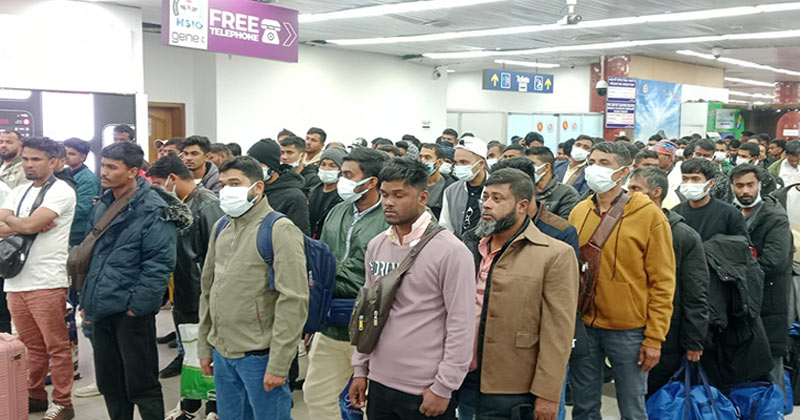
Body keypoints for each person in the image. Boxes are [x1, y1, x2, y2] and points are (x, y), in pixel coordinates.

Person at [349, 158, 476, 420]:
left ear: (423, 197)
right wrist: (360, 369)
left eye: (399, 195)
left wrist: (444, 386)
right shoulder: (377, 245)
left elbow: (461, 323)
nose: (388, 202)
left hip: (425, 386)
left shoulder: (451, 251)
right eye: (385, 194)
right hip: (380, 380)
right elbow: (367, 311)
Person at [458, 167, 578, 420]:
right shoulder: (469, 245)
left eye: (497, 198)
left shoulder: (554, 254)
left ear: (522, 205)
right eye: (485, 197)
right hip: (463, 376)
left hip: (513, 383)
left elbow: (558, 331)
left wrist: (548, 393)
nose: (487, 204)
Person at [568, 142, 676, 420]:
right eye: (592, 161)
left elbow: (662, 282)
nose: (594, 168)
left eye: (604, 163)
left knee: (632, 408)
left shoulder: (648, 214)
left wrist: (654, 338)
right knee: (583, 406)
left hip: (628, 330)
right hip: (584, 324)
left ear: (623, 172)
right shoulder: (579, 211)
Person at [198, 156, 309, 420]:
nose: (227, 191)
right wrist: (204, 345)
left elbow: (293, 299)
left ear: (257, 187)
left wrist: (279, 363)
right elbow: (208, 289)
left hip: (260, 357)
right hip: (222, 352)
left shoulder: (279, 229)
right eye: (223, 184)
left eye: (235, 183)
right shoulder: (222, 226)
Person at [80, 142, 184, 420]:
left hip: (130, 311)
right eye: (103, 165)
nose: (104, 172)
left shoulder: (153, 208)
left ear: (133, 172)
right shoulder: (104, 203)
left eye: (112, 167)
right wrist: (86, 300)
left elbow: (159, 264)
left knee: (142, 383)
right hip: (101, 307)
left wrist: (137, 308)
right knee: (110, 383)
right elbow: (92, 256)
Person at [302, 148, 389, 418]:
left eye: (349, 175)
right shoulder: (337, 211)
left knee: (372, 402)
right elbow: (322, 263)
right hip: (331, 323)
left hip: (373, 326)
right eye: (342, 174)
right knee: (317, 395)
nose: (342, 181)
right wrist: (312, 315)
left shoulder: (391, 217)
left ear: (371, 182)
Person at [0, 137, 77, 420]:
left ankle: (63, 402)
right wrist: (25, 225)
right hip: (15, 279)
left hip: (47, 281)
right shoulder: (18, 190)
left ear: (54, 162)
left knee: (56, 346)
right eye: (25, 159)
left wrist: (22, 223)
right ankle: (35, 395)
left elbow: (28, 223)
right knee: (29, 345)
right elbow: (25, 224)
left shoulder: (61, 190)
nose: (28, 164)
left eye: (36, 159)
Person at [147, 155, 224, 419]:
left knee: (208, 353)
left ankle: (214, 408)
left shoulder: (207, 205)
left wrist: (209, 297)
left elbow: (216, 256)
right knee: (192, 354)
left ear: (172, 179)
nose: (156, 191)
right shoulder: (179, 205)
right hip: (183, 293)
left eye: (158, 184)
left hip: (201, 294)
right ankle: (190, 405)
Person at [627, 168, 709, 397]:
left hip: (668, 335)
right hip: (628, 330)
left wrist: (694, 341)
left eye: (635, 189)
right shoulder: (624, 227)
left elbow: (696, 292)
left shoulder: (682, 235)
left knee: (660, 398)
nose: (628, 195)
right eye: (628, 189)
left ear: (656, 192)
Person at [730, 164, 793, 392]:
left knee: (770, 365)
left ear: (759, 185)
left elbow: (774, 262)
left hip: (769, 301)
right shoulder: (731, 213)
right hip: (740, 302)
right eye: (739, 186)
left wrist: (734, 270)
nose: (745, 191)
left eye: (750, 185)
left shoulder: (774, 217)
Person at [672, 158, 748, 241]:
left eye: (695, 179)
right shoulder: (675, 213)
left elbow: (741, 244)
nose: (689, 183)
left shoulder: (730, 214)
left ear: (711, 183)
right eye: (685, 179)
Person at [247, 139, 311, 235]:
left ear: (271, 165)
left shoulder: (294, 197)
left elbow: (300, 235)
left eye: (259, 164)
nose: (253, 169)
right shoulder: (251, 190)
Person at [440, 136, 489, 238]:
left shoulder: (497, 189)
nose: (459, 167)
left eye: (464, 162)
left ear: (481, 164)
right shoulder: (451, 191)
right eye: (456, 162)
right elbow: (446, 227)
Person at [63, 138, 101, 247]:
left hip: (77, 232)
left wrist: (56, 217)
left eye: (72, 154)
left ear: (83, 157)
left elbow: (82, 209)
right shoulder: (64, 173)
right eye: (65, 153)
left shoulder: (88, 179)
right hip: (64, 227)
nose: (67, 157)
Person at [526, 147, 580, 220]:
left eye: (531, 164)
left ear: (546, 167)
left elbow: (564, 224)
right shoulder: (522, 191)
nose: (527, 168)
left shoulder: (567, 194)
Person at [308, 147, 345, 239]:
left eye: (332, 166)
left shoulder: (342, 196)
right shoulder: (312, 191)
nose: (326, 169)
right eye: (323, 164)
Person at [419, 143, 455, 219]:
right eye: (420, 157)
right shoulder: (411, 183)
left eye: (427, 157)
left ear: (440, 162)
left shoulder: (450, 187)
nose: (422, 161)